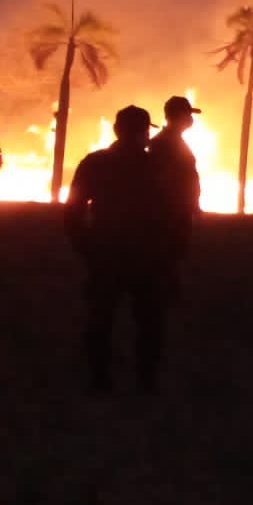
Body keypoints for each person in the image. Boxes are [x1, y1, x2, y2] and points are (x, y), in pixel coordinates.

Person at [63, 105, 183, 394]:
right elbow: (174, 215)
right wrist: (172, 255)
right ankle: (145, 381)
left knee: (102, 319)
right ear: (144, 134)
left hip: (109, 253)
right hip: (146, 258)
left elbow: (73, 212)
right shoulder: (157, 167)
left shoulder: (96, 163)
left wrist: (87, 247)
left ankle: (100, 380)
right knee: (149, 323)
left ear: (116, 130)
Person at [148, 94, 203, 254]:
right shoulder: (164, 143)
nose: (191, 119)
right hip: (169, 216)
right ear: (179, 115)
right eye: (188, 114)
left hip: (178, 214)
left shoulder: (172, 140)